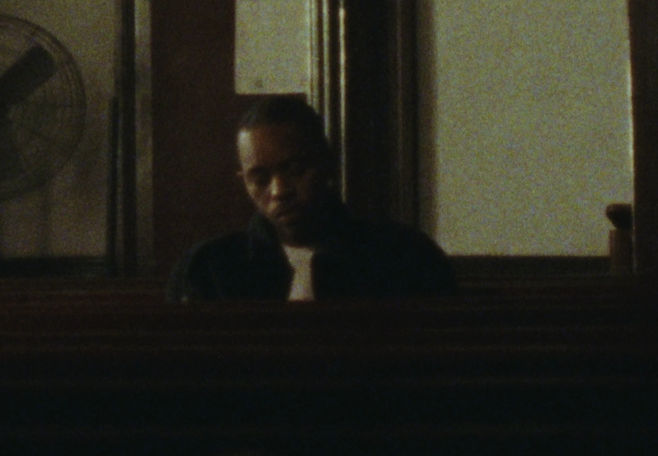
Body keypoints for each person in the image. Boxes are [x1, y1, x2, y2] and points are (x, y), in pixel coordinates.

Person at [168, 97, 457, 302]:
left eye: (294, 170)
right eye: (260, 178)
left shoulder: (405, 257)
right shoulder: (209, 267)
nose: (279, 190)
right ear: (243, 181)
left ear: (327, 165)